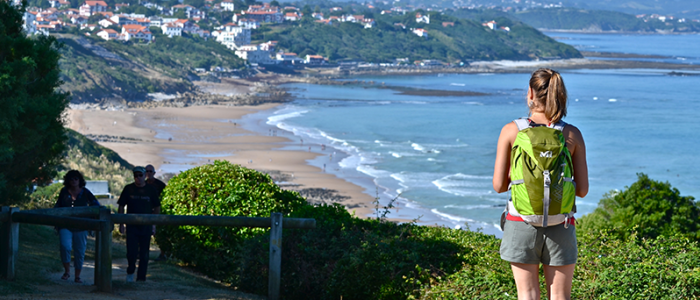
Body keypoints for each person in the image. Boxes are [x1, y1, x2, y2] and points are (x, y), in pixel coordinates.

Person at [492, 68, 589, 300]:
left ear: (530, 94)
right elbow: (583, 190)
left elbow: (499, 186)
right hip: (561, 225)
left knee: (527, 294)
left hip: (520, 222)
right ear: (560, 95)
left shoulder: (511, 131)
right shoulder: (571, 134)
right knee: (560, 296)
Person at [54, 170, 101, 284]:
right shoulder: (64, 192)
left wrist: (91, 218)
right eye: (71, 179)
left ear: (80, 180)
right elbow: (58, 206)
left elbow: (96, 205)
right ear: (68, 180)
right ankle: (67, 271)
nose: (74, 181)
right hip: (65, 225)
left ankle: (77, 276)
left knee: (80, 251)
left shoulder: (85, 192)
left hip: (81, 226)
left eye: (76, 179)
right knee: (65, 246)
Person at [118, 166, 161, 282]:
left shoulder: (151, 190)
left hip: (146, 226)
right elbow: (121, 205)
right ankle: (130, 270)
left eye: (140, 175)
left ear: (144, 176)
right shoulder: (128, 189)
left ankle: (141, 278)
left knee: (144, 254)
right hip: (131, 226)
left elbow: (157, 207)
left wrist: (154, 224)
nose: (138, 178)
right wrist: (121, 223)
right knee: (131, 252)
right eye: (135, 176)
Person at [144, 164, 168, 261]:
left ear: (154, 173)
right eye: (147, 171)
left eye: (150, 171)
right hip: (146, 212)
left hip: (158, 212)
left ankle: (163, 254)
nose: (149, 173)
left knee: (159, 234)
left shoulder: (160, 185)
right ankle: (142, 253)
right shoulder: (143, 184)